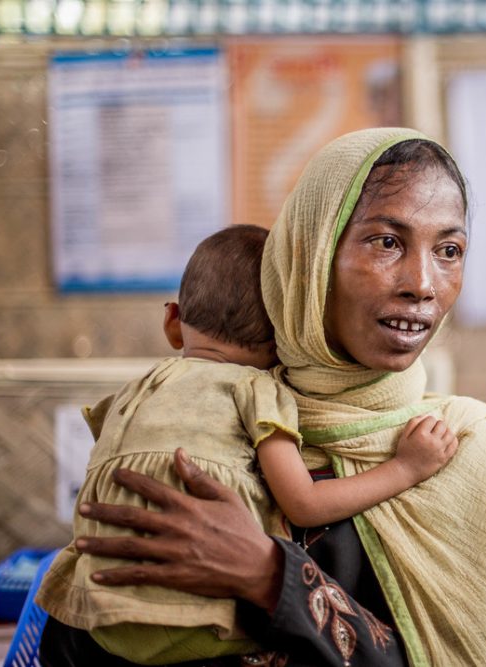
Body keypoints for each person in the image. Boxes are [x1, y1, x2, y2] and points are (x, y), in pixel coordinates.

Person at [42, 128, 486, 667]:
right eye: (387, 242)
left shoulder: (463, 450)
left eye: (449, 250)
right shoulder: (216, 420)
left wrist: (271, 577)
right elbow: (79, 639)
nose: (423, 283)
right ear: (311, 258)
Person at [37, 224, 458, 665]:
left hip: (100, 615)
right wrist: (406, 469)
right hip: (200, 627)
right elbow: (305, 505)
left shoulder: (139, 388)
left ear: (172, 323)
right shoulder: (259, 392)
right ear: (290, 342)